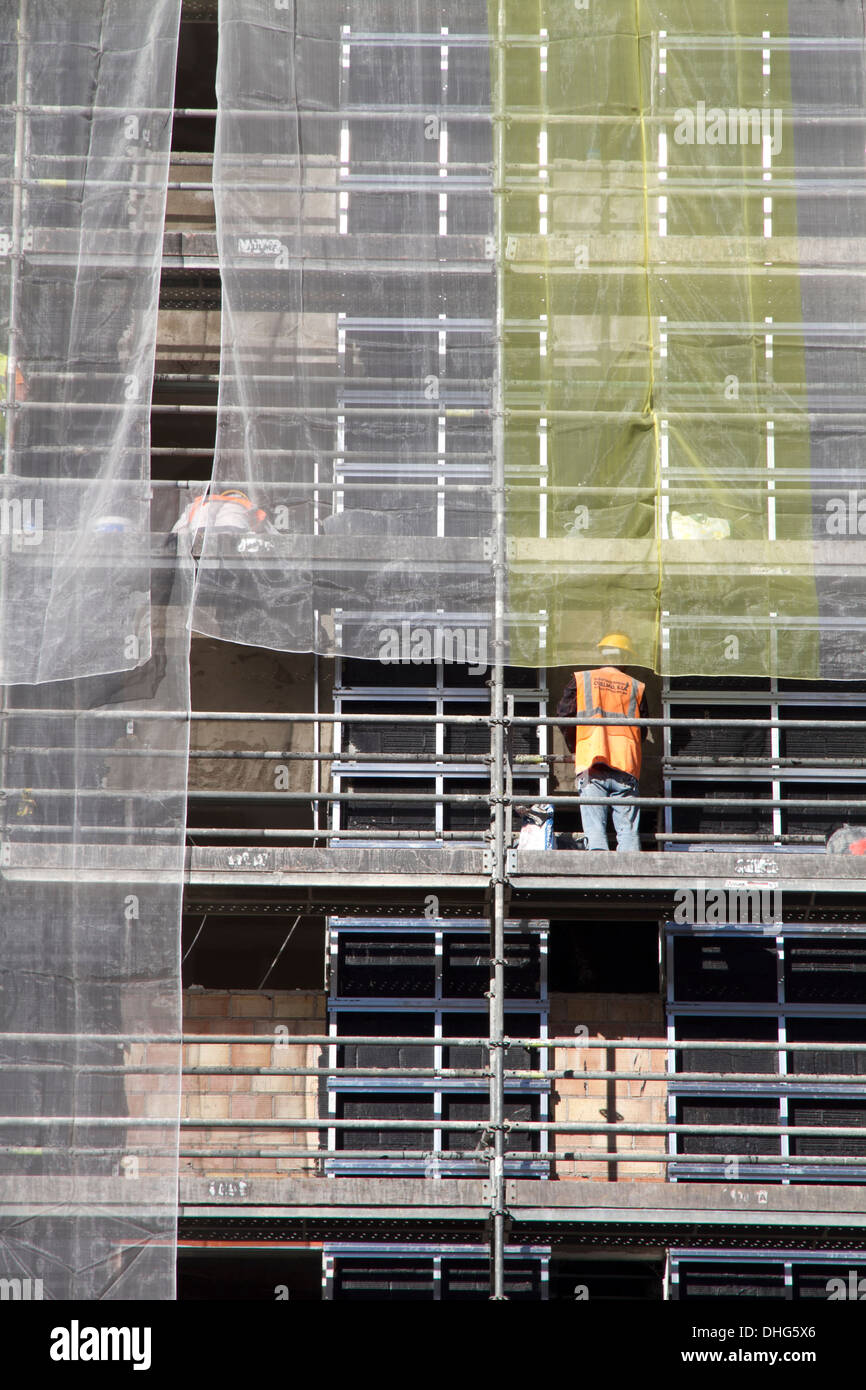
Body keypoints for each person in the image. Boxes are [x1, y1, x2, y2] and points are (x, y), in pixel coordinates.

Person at [556, 633, 648, 852]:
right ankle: (630, 877)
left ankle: (599, 879)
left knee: (594, 829)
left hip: (592, 759)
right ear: (625, 657)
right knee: (628, 831)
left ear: (603, 655)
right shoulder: (636, 686)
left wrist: (576, 744)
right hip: (626, 763)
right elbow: (643, 728)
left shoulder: (583, 679)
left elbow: (563, 715)